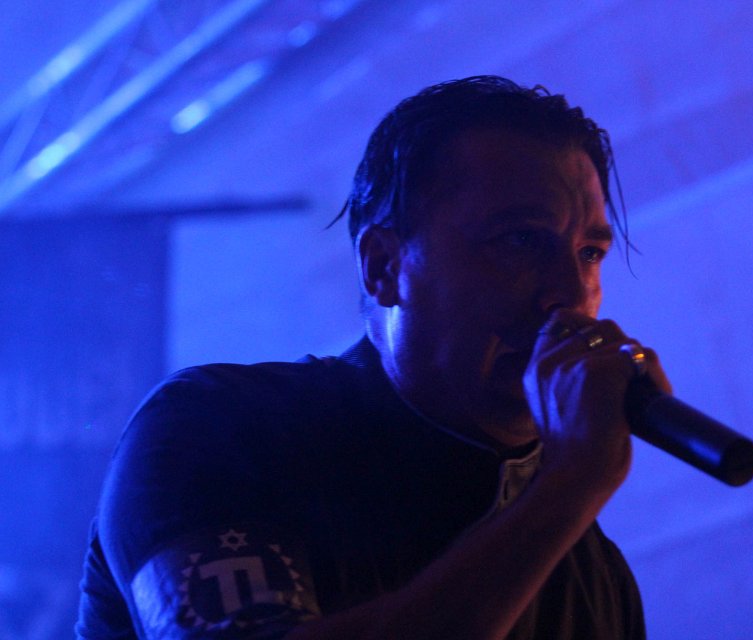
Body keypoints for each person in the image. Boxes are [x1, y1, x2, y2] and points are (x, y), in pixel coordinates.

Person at [76, 75, 672, 639]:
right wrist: (567, 488)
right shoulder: (222, 430)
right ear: (384, 266)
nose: (569, 294)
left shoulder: (589, 569)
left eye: (590, 253)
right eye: (518, 241)